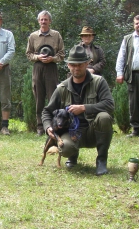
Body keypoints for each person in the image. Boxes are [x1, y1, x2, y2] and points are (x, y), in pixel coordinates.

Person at [42, 45, 114, 175]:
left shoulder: (99, 82)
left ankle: (101, 161)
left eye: (80, 64)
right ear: (68, 65)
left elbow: (109, 104)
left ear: (87, 63)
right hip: (71, 132)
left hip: (93, 130)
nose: (76, 68)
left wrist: (84, 108)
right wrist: (48, 127)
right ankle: (72, 156)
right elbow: (47, 111)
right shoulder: (61, 88)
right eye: (73, 65)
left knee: (104, 117)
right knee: (66, 148)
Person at [25, 10, 65, 136]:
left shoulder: (56, 35)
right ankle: (40, 127)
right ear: (38, 21)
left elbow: (62, 54)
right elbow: (28, 53)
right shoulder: (33, 36)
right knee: (39, 98)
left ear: (50, 21)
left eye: (46, 19)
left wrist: (52, 59)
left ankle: (53, 125)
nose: (43, 22)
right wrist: (38, 58)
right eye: (41, 19)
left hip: (51, 68)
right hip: (38, 68)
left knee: (53, 97)